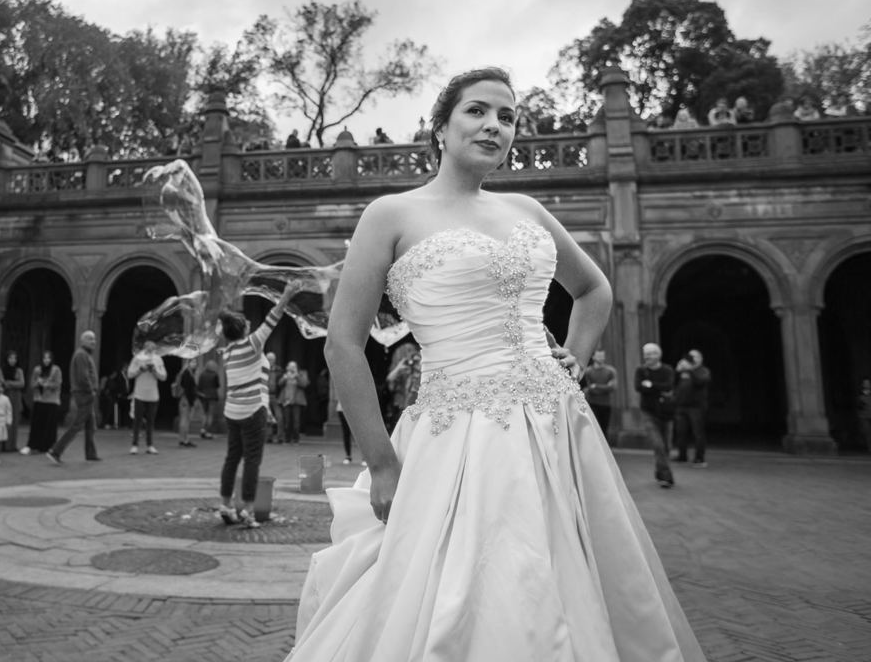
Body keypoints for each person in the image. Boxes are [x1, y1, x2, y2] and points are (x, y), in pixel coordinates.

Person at [287, 68, 704, 660]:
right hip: (457, 435)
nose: (494, 126)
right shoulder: (390, 213)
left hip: (559, 426)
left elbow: (594, 290)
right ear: (440, 127)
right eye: (477, 111)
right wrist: (381, 462)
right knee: (476, 586)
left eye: (507, 117)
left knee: (571, 576)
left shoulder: (527, 208)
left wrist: (574, 359)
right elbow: (343, 345)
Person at [217, 284, 297, 529]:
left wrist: (268, 410)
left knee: (232, 458)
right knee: (252, 460)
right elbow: (272, 319)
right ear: (241, 330)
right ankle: (249, 511)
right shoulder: (252, 344)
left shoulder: (227, 352)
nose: (250, 324)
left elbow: (254, 381)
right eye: (246, 323)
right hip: (252, 411)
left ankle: (225, 505)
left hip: (233, 411)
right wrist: (286, 295)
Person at [48, 331, 102, 464]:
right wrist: (91, 390)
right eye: (90, 339)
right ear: (82, 341)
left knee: (91, 425)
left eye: (94, 339)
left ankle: (90, 453)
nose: (93, 341)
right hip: (84, 394)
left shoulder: (84, 354)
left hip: (84, 393)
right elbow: (83, 376)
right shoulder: (81, 355)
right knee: (77, 425)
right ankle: (55, 451)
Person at [636, 342, 677, 488]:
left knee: (666, 446)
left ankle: (660, 472)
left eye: (651, 353)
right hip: (648, 412)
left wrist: (651, 385)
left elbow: (669, 386)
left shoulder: (667, 370)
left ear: (658, 355)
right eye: (646, 353)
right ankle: (666, 476)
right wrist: (656, 387)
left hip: (666, 413)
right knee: (658, 444)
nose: (648, 356)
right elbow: (639, 387)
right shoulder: (641, 371)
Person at [673, 349, 712, 467]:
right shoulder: (683, 372)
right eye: (690, 356)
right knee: (680, 432)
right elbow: (673, 383)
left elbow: (700, 382)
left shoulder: (703, 371)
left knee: (698, 433)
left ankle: (700, 458)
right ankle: (682, 456)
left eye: (694, 357)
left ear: (701, 359)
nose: (691, 359)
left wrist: (690, 369)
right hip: (681, 407)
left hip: (696, 408)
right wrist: (677, 371)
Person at [127, 341, 166, 454]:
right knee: (137, 421)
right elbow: (129, 374)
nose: (150, 350)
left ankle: (150, 445)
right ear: (144, 348)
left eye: (152, 348)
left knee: (150, 421)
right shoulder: (137, 358)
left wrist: (154, 371)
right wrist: (140, 369)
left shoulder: (158, 359)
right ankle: (135, 445)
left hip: (153, 395)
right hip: (139, 394)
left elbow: (163, 376)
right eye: (148, 348)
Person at [21, 351, 61, 455]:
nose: (46, 360)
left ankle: (49, 447)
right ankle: (32, 445)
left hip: (52, 401)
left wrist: (45, 384)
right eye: (44, 358)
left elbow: (57, 384)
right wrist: (37, 383)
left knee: (50, 426)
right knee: (36, 425)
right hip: (39, 399)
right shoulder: (37, 369)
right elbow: (31, 384)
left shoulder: (56, 370)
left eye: (48, 358)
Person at [384, 343, 421, 432]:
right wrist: (398, 370)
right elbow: (389, 384)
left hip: (420, 406)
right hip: (401, 407)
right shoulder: (400, 352)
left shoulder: (427, 355)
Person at [582, 348, 617, 436]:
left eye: (602, 356)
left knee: (604, 429)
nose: (601, 358)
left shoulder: (610, 371)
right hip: (592, 403)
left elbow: (612, 387)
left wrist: (596, 386)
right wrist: (604, 387)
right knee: (594, 429)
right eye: (599, 356)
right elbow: (587, 388)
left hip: (606, 404)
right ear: (593, 357)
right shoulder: (588, 371)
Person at [0, 351, 25, 452]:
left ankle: (11, 445)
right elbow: (2, 382)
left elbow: (22, 383)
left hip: (16, 397)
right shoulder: (1, 369)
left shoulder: (19, 370)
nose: (12, 360)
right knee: (3, 418)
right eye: (10, 358)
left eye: (14, 358)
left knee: (14, 419)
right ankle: (2, 444)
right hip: (5, 395)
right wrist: (13, 383)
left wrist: (9, 383)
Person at [279, 360, 310, 444]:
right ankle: (287, 439)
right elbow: (279, 384)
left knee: (296, 421)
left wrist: (297, 376)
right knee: (287, 421)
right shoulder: (285, 374)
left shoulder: (301, 374)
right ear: (287, 367)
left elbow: (305, 384)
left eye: (293, 366)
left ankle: (296, 439)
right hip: (286, 400)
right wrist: (284, 378)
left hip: (297, 401)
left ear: (297, 367)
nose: (292, 368)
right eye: (290, 366)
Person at [175, 357, 201, 447]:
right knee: (185, 420)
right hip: (185, 399)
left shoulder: (189, 373)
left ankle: (183, 438)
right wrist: (191, 402)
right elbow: (188, 389)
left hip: (185, 399)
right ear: (188, 363)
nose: (194, 364)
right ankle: (184, 439)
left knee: (185, 420)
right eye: (192, 362)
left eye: (195, 362)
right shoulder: (187, 373)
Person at [196, 358, 221, 439]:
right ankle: (207, 431)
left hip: (203, 396)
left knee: (204, 414)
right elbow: (217, 385)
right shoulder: (215, 374)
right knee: (210, 414)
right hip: (212, 396)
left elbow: (199, 385)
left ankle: (203, 429)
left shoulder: (202, 374)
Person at [266, 351, 284, 443]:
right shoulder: (262, 368)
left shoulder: (279, 370)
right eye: (268, 359)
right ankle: (268, 437)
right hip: (265, 396)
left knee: (279, 417)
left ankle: (280, 437)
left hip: (276, 396)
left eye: (272, 359)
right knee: (267, 417)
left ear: (275, 360)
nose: (270, 361)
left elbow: (282, 384)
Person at [859, 378, 871, 451]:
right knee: (867, 432)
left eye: (868, 383)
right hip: (864, 416)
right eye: (865, 383)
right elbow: (859, 406)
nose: (867, 384)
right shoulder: (860, 394)